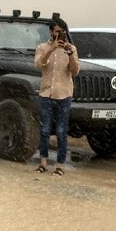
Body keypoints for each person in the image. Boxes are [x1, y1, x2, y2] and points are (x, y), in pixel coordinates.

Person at [34, 17, 80, 176]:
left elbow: (75, 71)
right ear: (51, 32)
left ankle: (60, 165)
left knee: (61, 131)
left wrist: (70, 54)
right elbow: (38, 64)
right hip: (46, 94)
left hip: (64, 95)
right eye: (58, 32)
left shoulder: (71, 48)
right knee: (45, 129)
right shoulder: (42, 47)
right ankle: (43, 163)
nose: (60, 35)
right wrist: (51, 49)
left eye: (63, 32)